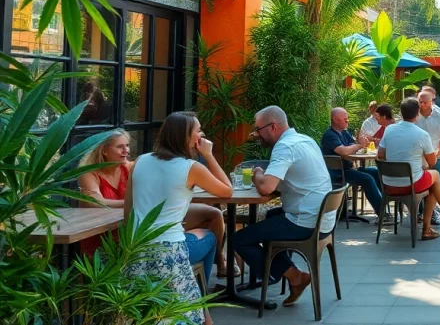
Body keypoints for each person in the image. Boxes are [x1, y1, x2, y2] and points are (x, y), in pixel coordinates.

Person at [125, 112, 233, 325]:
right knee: (211, 238)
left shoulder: (140, 161)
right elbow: (227, 191)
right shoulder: (191, 168)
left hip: (136, 249)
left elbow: (129, 211)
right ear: (186, 137)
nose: (201, 135)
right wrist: (208, 155)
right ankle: (200, 296)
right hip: (170, 252)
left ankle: (200, 304)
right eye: (198, 131)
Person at [79, 130, 236, 276]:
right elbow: (96, 202)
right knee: (206, 237)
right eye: (120, 147)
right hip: (110, 235)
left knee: (213, 214)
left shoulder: (132, 166)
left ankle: (220, 262)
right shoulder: (89, 173)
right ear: (104, 150)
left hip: (137, 221)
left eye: (127, 146)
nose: (126, 151)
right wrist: (132, 201)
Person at [236, 106, 336, 307]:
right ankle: (283, 270)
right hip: (322, 218)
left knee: (240, 239)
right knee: (272, 217)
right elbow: (287, 181)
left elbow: (266, 187)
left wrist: (257, 173)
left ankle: (294, 276)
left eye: (258, 129)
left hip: (305, 221)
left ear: (272, 126)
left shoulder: (284, 147)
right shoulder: (305, 139)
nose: (256, 135)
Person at [377, 98, 440, 240]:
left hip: (388, 185)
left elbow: (381, 155)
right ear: (418, 113)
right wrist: (431, 154)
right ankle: (439, 221)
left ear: (401, 114)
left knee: (432, 182)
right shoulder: (422, 134)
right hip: (410, 184)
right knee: (435, 177)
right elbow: (432, 162)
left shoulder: (389, 130)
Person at [321, 107, 386, 220]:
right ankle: (382, 214)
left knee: (375, 172)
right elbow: (343, 151)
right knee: (367, 179)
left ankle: (384, 207)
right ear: (335, 119)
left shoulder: (343, 133)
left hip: (348, 168)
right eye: (345, 119)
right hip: (338, 173)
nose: (347, 121)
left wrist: (358, 142)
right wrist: (360, 145)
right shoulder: (329, 135)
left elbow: (352, 145)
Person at [415, 90, 440, 224]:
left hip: (437, 155)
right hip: (418, 157)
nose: (422, 105)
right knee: (420, 185)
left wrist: (438, 151)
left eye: (425, 102)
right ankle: (420, 212)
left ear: (432, 101)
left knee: (436, 185)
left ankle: (431, 215)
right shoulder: (414, 114)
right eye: (420, 102)